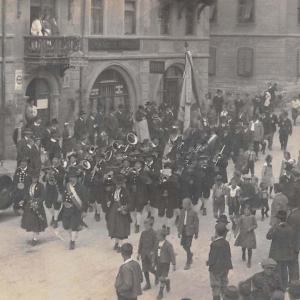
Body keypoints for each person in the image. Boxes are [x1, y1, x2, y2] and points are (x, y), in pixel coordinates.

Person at [57, 167, 88, 250]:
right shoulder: (66, 186)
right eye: (70, 177)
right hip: (66, 209)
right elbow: (63, 197)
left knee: (74, 226)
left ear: (77, 178)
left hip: (76, 209)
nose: (71, 179)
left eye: (73, 177)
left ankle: (72, 241)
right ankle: (73, 235)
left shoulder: (82, 187)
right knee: (66, 226)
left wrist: (84, 211)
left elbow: (85, 200)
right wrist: (61, 200)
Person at [266, 210, 295, 288]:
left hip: (276, 253)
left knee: (277, 271)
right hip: (286, 253)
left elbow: (268, 236)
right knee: (284, 270)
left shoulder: (277, 228)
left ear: (278, 219)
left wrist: (273, 227)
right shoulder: (289, 228)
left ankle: (279, 287)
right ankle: (285, 285)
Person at [20, 169, 47, 246]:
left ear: (37, 178)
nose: (34, 179)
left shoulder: (40, 185)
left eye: (35, 178)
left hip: (37, 205)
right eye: (33, 178)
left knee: (36, 221)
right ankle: (35, 233)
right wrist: (23, 200)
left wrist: (38, 203)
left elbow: (43, 196)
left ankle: (34, 238)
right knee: (30, 221)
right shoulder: (29, 185)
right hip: (29, 205)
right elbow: (26, 194)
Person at [106, 174, 132, 252]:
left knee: (120, 227)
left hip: (121, 210)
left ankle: (120, 245)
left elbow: (130, 202)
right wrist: (108, 201)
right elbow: (107, 196)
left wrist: (125, 209)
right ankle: (116, 242)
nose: (118, 185)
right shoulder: (112, 189)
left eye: (120, 184)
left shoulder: (125, 191)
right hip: (113, 208)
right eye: (117, 183)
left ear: (122, 184)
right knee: (113, 225)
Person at [207, 223, 233, 300]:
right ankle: (225, 297)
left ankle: (216, 298)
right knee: (224, 283)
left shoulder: (214, 244)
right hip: (225, 267)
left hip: (216, 268)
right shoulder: (226, 242)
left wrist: (208, 263)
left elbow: (212, 257)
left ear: (216, 232)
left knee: (215, 285)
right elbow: (229, 255)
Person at [152, 228, 176, 299]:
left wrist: (174, 264)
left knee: (162, 277)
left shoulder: (168, 245)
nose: (156, 236)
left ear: (162, 236)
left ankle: (161, 292)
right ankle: (167, 281)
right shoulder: (156, 243)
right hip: (158, 262)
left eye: (157, 235)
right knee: (159, 277)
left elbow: (172, 255)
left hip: (165, 263)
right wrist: (153, 261)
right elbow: (154, 252)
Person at [177, 198, 199, 270]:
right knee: (183, 245)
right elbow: (180, 222)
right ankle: (190, 254)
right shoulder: (181, 212)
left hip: (190, 231)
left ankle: (188, 262)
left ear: (187, 204)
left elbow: (196, 223)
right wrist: (179, 232)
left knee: (188, 245)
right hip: (183, 230)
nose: (182, 204)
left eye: (183, 203)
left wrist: (196, 233)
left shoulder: (194, 212)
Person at [137, 218, 157, 291]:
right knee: (145, 269)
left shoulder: (154, 233)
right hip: (143, 254)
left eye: (147, 226)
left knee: (151, 268)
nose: (146, 227)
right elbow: (140, 243)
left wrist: (153, 251)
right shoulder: (143, 233)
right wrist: (139, 253)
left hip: (151, 255)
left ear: (151, 226)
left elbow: (156, 244)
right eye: (145, 226)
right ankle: (148, 284)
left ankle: (156, 274)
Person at [287, 202, 300, 281]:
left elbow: (291, 231)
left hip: (293, 243)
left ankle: (293, 281)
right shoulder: (298, 213)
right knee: (295, 261)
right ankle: (297, 278)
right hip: (297, 241)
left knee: (292, 262)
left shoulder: (292, 216)